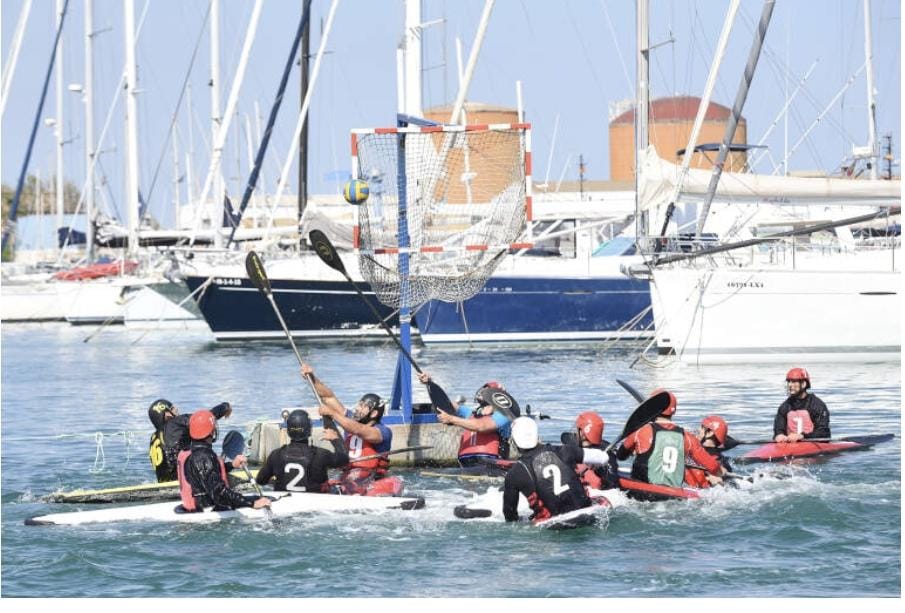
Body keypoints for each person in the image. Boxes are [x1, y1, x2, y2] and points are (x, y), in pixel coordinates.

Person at [303, 364, 393, 495]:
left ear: (373, 414)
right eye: (359, 404)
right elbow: (328, 397)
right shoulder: (350, 420)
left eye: (363, 406)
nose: (357, 408)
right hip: (348, 475)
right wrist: (312, 378)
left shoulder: (383, 432)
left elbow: (358, 430)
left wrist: (332, 413)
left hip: (372, 477)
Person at [503, 417, 613, 523]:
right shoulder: (565, 450)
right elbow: (604, 458)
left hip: (553, 524)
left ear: (514, 442)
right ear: (537, 436)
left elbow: (510, 517)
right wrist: (591, 463)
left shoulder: (513, 474)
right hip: (586, 512)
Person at [616, 389, 725, 487]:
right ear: (674, 411)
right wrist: (720, 472)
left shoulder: (640, 431)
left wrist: (635, 450)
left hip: (642, 489)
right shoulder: (687, 437)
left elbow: (621, 456)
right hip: (673, 493)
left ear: (651, 408)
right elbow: (713, 467)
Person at [176, 410, 270, 512]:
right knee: (262, 499)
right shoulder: (203, 457)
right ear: (211, 432)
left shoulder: (192, 452)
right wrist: (252, 504)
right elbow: (219, 493)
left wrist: (232, 465)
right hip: (208, 510)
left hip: (196, 507)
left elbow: (207, 473)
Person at [416, 372, 514, 469]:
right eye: (484, 390)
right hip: (466, 465)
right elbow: (446, 404)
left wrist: (451, 419)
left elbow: (482, 426)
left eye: (488, 391)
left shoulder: (504, 415)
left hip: (493, 465)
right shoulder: (470, 413)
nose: (483, 392)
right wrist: (430, 383)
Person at [255, 409, 349, 492]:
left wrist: (278, 480)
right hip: (315, 501)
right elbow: (344, 459)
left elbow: (261, 480)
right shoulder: (321, 454)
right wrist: (335, 439)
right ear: (310, 430)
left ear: (288, 431)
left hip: (285, 501)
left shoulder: (275, 455)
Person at [147, 398, 232, 482]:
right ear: (167, 414)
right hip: (187, 481)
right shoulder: (177, 422)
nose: (177, 409)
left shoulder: (153, 439)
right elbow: (205, 418)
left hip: (163, 484)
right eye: (172, 408)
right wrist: (225, 407)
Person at [773, 367, 830, 442]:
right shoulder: (784, 406)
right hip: (790, 445)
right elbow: (778, 429)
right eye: (789, 381)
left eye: (794, 381)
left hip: (812, 444)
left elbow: (823, 432)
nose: (790, 385)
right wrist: (779, 434)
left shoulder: (817, 405)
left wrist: (802, 436)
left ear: (803, 384)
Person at [571, 411, 620, 490]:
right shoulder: (608, 451)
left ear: (583, 433)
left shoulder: (574, 450)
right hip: (611, 492)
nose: (575, 432)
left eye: (577, 429)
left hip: (593, 490)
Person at [684, 415, 733, 488]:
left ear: (710, 433)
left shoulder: (719, 461)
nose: (698, 430)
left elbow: (725, 483)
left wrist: (711, 478)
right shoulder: (694, 448)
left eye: (702, 427)